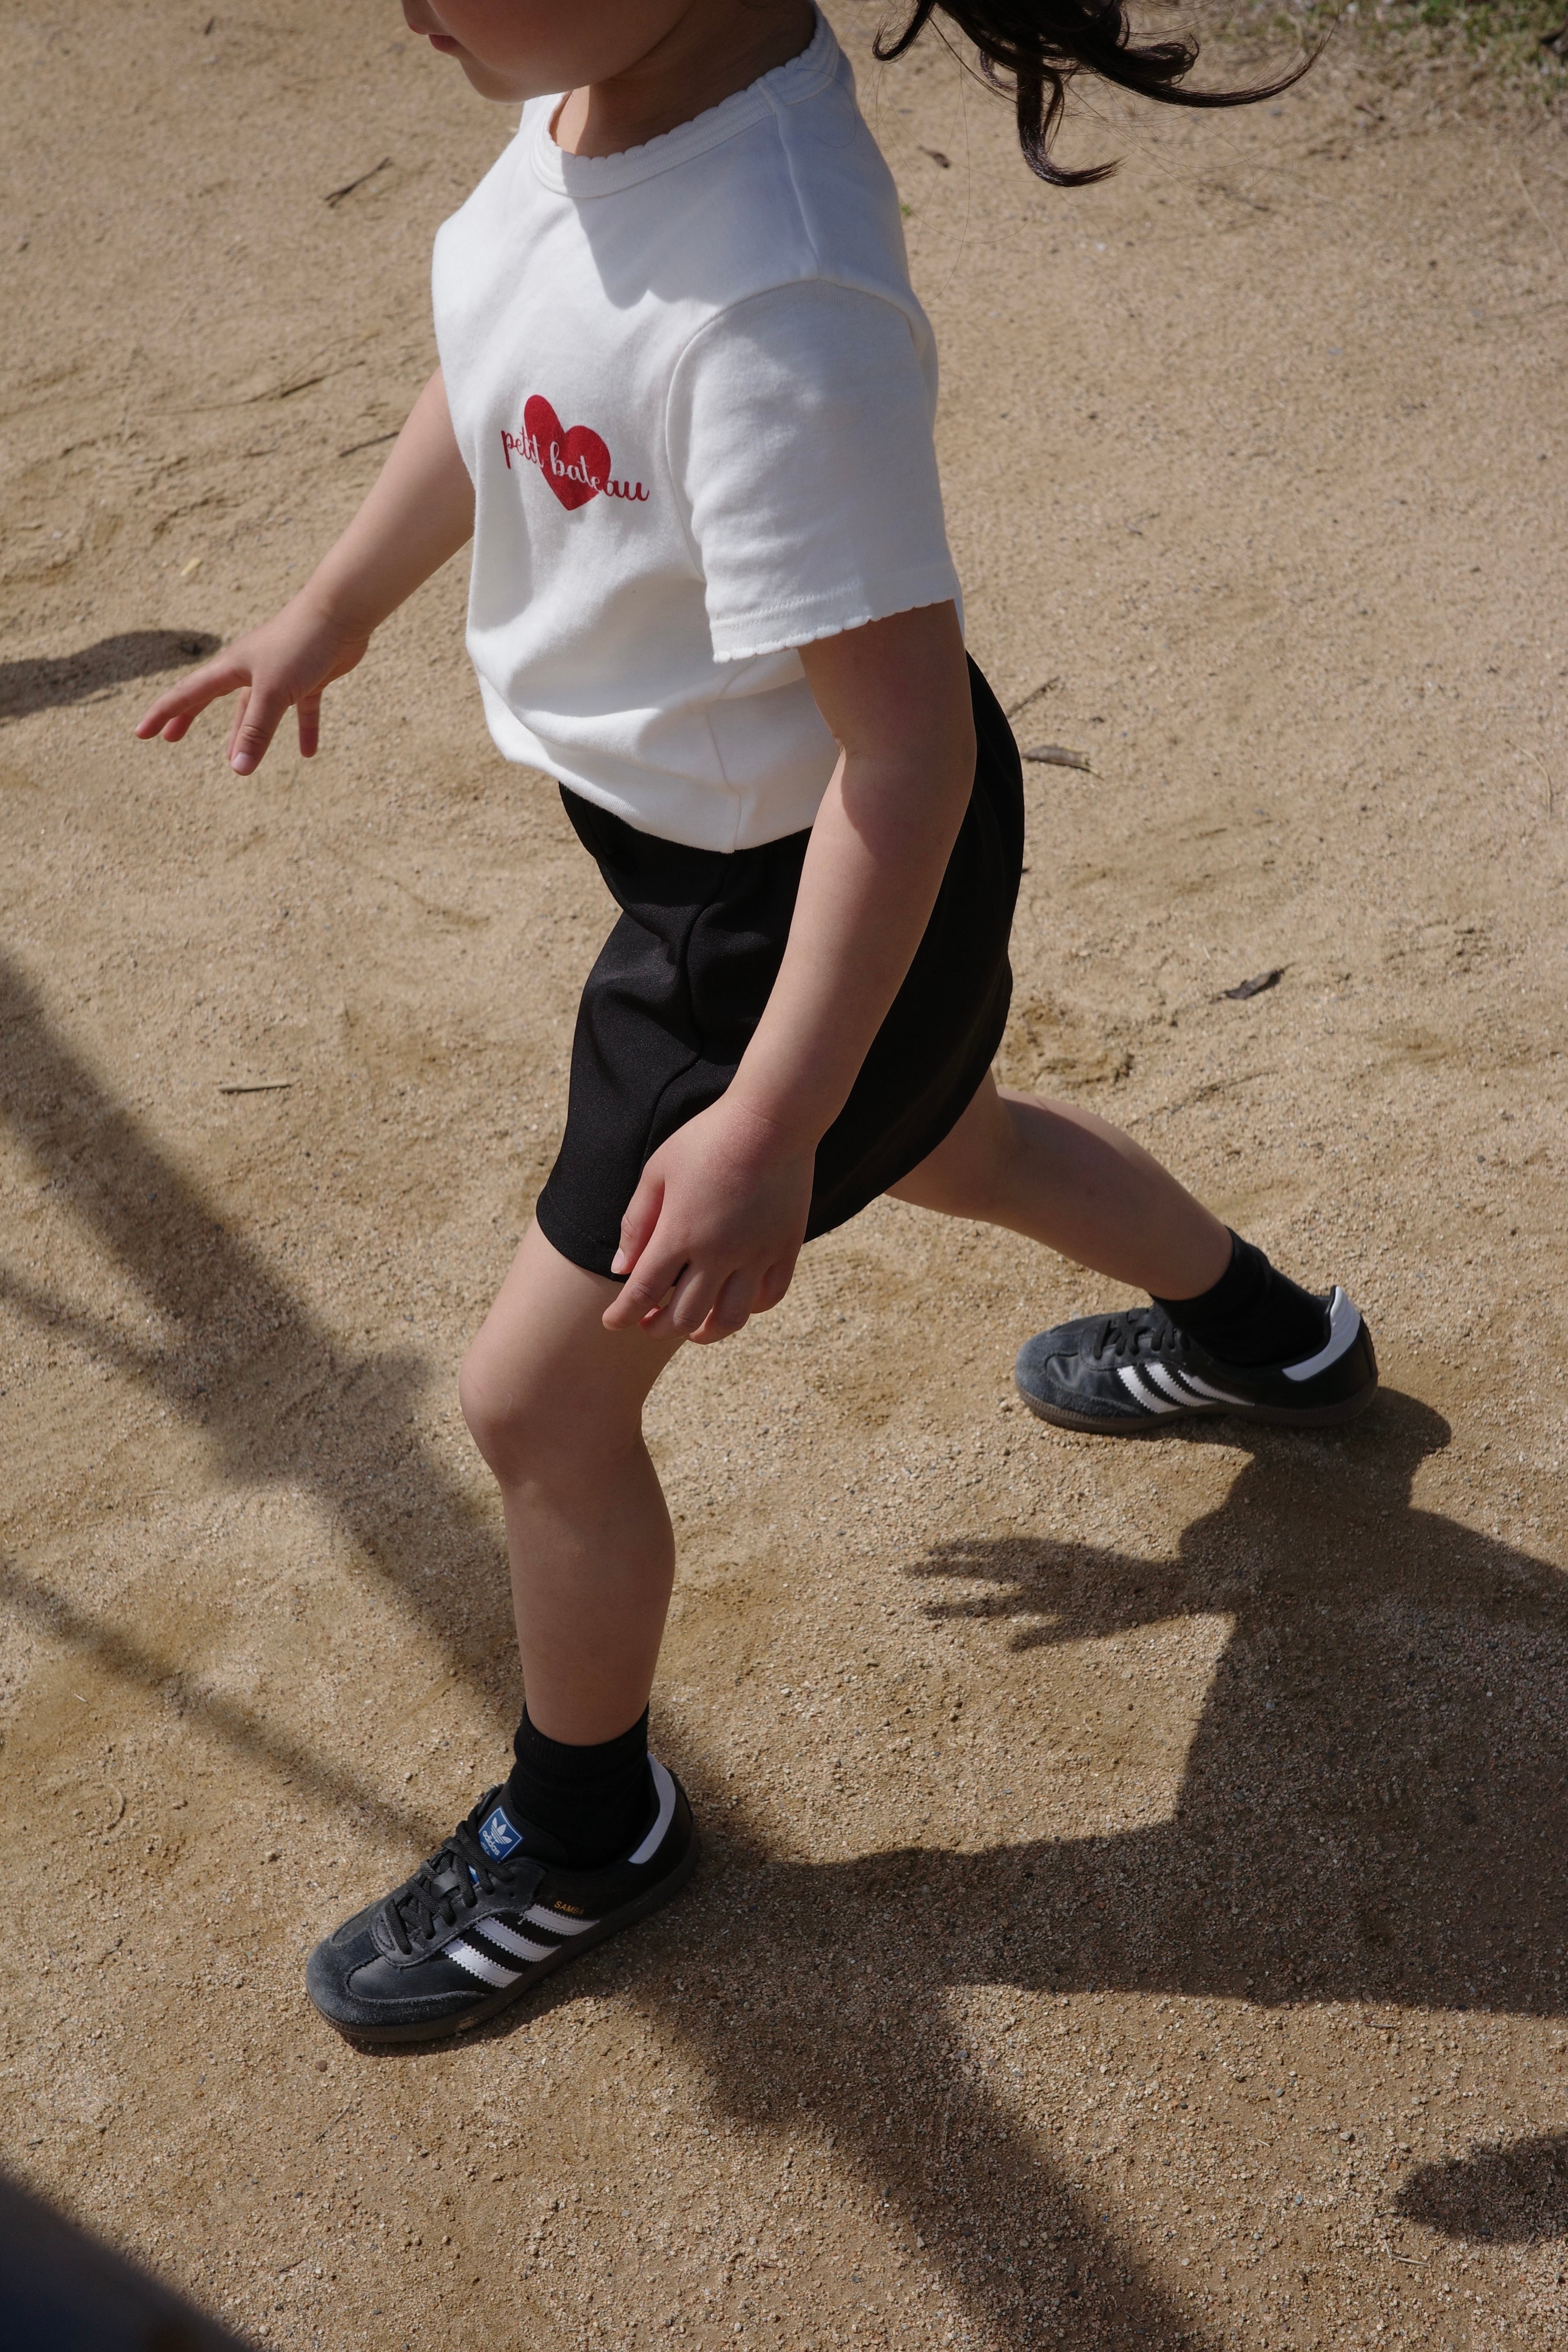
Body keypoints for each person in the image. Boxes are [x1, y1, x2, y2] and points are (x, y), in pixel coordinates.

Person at [136, 0, 1374, 2046]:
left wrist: (772, 1119)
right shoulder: (602, 89)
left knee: (538, 1405)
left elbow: (906, 757)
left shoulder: (775, 300)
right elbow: (503, 366)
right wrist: (334, 605)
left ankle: (587, 1826)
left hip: (791, 888)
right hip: (734, 840)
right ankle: (1275, 1339)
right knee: (955, 1137)